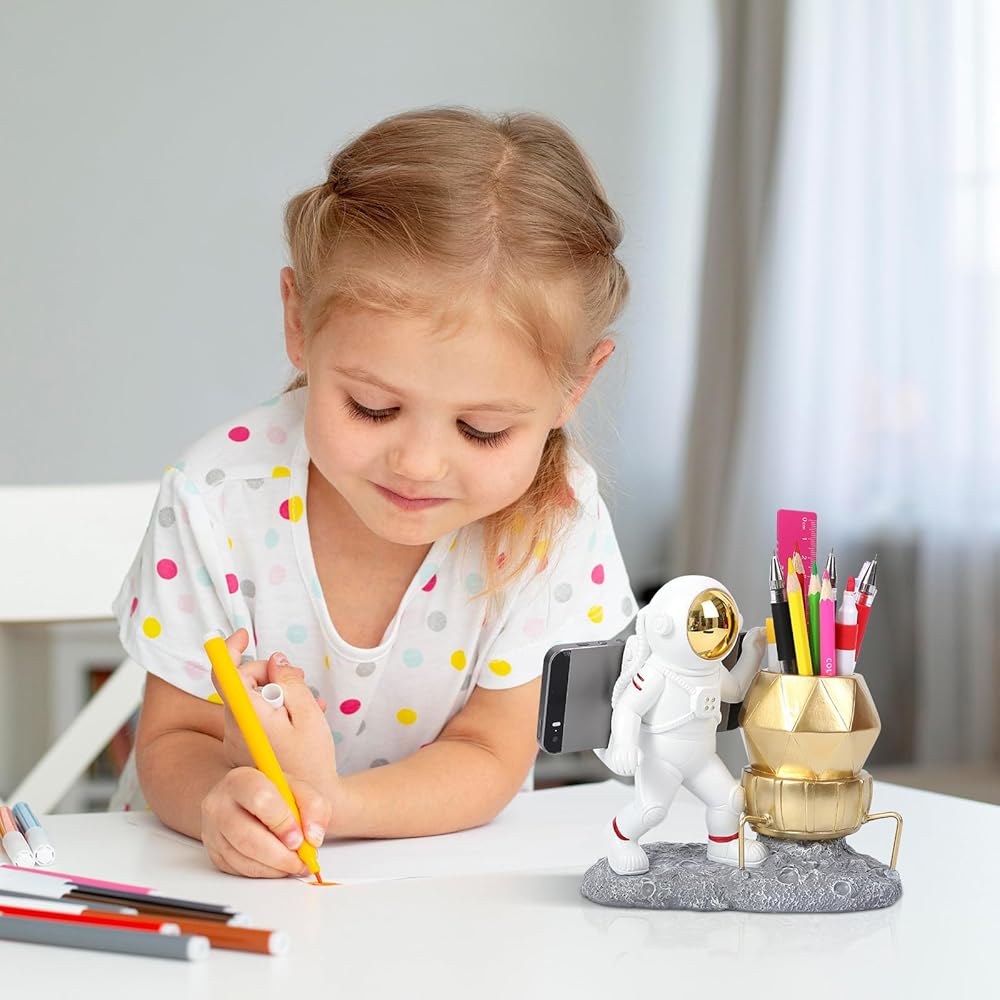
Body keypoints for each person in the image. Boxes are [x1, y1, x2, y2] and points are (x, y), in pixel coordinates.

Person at [113, 107, 636, 879]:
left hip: (427, 895)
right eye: (372, 408)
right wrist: (220, 804)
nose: (418, 464)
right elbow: (171, 739)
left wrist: (328, 806)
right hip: (204, 883)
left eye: (482, 429)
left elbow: (490, 752)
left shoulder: (554, 523)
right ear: (299, 322)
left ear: (575, 387)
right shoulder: (215, 499)